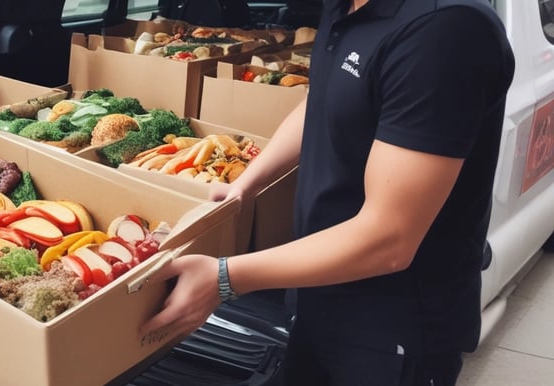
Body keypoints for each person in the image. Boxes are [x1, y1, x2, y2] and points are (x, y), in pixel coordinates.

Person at [140, 0, 515, 385]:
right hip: (318, 293)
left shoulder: (444, 31)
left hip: (389, 334)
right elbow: (323, 99)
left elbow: (390, 239)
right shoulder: (345, 8)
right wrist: (245, 185)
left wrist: (224, 278)